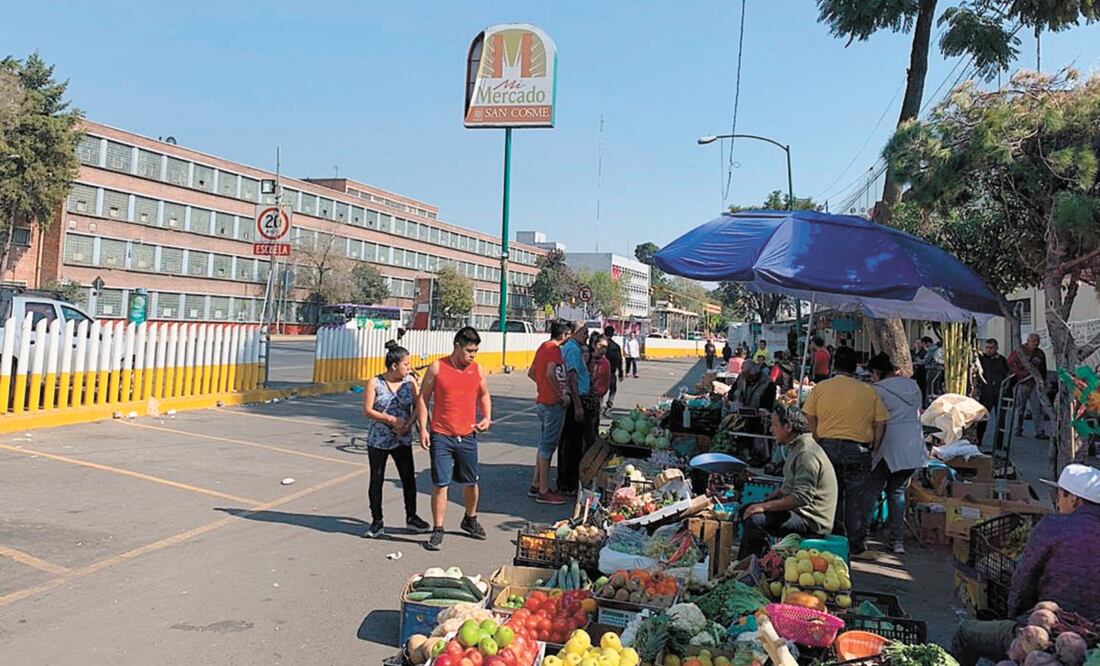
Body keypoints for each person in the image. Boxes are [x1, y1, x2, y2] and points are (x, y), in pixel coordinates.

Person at [952, 464, 1100, 666]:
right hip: (1092, 641)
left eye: (1060, 495)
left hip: (1048, 634)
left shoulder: (1054, 526)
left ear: (1074, 499)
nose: (1057, 501)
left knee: (966, 633)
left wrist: (1017, 619)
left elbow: (1023, 581)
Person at [802, 345, 888, 555]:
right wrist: (875, 447)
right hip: (858, 450)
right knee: (855, 499)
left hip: (827, 448)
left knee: (829, 494)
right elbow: (881, 423)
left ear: (834, 365)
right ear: (856, 367)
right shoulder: (869, 391)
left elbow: (808, 416)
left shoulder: (821, 388)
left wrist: (817, 436)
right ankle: (855, 543)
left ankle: (830, 537)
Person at [417, 327, 492, 551]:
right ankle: (438, 529)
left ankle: (470, 519)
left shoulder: (477, 370)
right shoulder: (437, 367)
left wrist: (487, 416)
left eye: (476, 351)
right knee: (441, 483)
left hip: (467, 435)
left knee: (471, 482)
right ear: (457, 346)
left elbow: (484, 394)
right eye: (469, 350)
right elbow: (423, 398)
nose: (473, 355)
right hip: (441, 435)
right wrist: (423, 429)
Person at [737, 404, 838, 559]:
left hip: (812, 521)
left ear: (788, 426)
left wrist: (764, 507)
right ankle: (759, 559)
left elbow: (802, 497)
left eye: (774, 425)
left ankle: (750, 568)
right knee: (746, 509)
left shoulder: (806, 453)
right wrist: (777, 494)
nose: (771, 430)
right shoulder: (797, 447)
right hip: (801, 513)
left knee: (756, 519)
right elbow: (793, 485)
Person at [853, 353, 926, 555]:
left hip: (887, 446)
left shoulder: (877, 391)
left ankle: (862, 537)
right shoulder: (913, 386)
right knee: (897, 493)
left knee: (870, 492)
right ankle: (897, 541)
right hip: (912, 447)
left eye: (871, 374)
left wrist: (873, 445)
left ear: (877, 372)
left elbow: (875, 421)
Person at [361, 341, 430, 538]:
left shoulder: (410, 383)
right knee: (377, 479)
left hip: (402, 440)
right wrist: (390, 419)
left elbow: (419, 406)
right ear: (394, 366)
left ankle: (412, 517)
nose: (409, 368)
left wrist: (408, 425)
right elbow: (367, 410)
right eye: (406, 364)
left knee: (408, 478)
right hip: (378, 441)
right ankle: (377, 521)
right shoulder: (375, 383)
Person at [526, 322, 569, 505]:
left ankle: (536, 483)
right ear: (564, 335)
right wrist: (560, 394)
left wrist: (542, 386)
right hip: (552, 404)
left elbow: (532, 372)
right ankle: (544, 490)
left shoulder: (542, 347)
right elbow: (551, 373)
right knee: (548, 447)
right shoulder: (554, 350)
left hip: (542, 402)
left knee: (543, 444)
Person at [556, 321, 590, 494]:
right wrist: (578, 406)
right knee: (571, 445)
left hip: (578, 398)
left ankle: (568, 481)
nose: (587, 335)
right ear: (574, 332)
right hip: (576, 400)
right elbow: (572, 378)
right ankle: (567, 483)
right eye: (584, 332)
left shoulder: (574, 348)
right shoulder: (572, 349)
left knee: (573, 443)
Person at [1008, 333, 1052, 440]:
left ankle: (1039, 431)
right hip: (1022, 383)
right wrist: (1019, 373)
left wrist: (1044, 382)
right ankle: (1018, 429)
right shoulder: (1020, 351)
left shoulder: (1040, 353)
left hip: (1035, 384)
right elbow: (1010, 363)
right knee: (1020, 409)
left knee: (1037, 408)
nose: (1036, 343)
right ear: (1028, 341)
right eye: (1034, 341)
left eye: (1037, 341)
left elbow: (1043, 368)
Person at [975, 338, 1010, 447]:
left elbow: (1007, 373)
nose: (989, 350)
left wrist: (1006, 386)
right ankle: (979, 440)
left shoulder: (1001, 360)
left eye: (991, 348)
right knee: (982, 418)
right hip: (985, 393)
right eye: (987, 348)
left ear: (996, 348)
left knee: (1001, 419)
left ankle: (999, 443)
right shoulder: (981, 359)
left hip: (999, 392)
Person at [583, 333, 611, 451]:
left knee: (592, 431)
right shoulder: (586, 359)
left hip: (596, 402)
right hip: (582, 400)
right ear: (594, 345)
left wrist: (599, 396)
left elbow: (606, 382)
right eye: (600, 346)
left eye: (605, 347)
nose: (603, 349)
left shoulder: (606, 363)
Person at [603, 325, 623, 416]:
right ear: (613, 334)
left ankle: (599, 407)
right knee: (613, 390)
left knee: (600, 391)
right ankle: (609, 406)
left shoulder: (601, 345)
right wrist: (621, 372)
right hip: (612, 372)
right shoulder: (616, 346)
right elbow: (619, 360)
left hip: (601, 372)